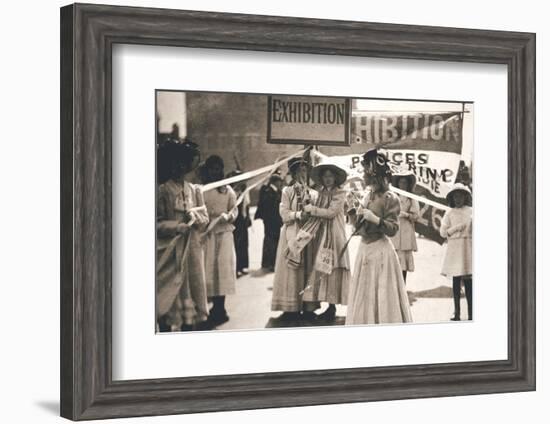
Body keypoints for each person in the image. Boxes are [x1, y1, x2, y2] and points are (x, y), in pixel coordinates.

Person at [345, 148, 412, 325]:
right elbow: (360, 229)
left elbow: (393, 229)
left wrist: (376, 220)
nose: (362, 174)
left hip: (380, 253)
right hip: (365, 250)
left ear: (373, 173)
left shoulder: (390, 198)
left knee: (382, 295)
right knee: (364, 294)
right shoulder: (367, 196)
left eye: (365, 170)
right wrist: (352, 213)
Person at [156, 140, 210, 332]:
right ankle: (165, 326)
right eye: (175, 163)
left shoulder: (195, 190)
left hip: (193, 248)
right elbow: (156, 223)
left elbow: (205, 219)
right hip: (170, 251)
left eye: (183, 164)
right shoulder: (163, 191)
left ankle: (190, 327)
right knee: (169, 294)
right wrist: (176, 226)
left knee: (192, 288)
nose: (179, 168)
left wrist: (194, 217)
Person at [271, 157, 320, 321]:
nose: (302, 174)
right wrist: (298, 214)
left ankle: (308, 307)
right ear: (292, 173)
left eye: (305, 170)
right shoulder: (287, 191)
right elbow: (284, 214)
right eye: (298, 170)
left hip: (308, 235)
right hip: (292, 232)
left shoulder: (313, 193)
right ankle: (290, 307)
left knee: (308, 268)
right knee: (292, 270)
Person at [301, 163, 351, 322]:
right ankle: (321, 305)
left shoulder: (340, 193)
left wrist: (312, 209)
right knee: (323, 267)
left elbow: (331, 213)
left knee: (333, 267)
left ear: (335, 178)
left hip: (335, 234)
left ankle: (332, 306)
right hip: (322, 233)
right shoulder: (320, 193)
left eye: (330, 176)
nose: (328, 179)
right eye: (325, 176)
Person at [201, 155, 238, 326]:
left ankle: (220, 307)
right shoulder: (202, 190)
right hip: (208, 234)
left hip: (224, 234)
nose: (215, 172)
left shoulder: (228, 190)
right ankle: (207, 308)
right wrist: (207, 219)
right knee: (208, 269)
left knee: (222, 269)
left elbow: (234, 209)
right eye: (212, 168)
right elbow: (200, 211)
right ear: (207, 170)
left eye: (218, 168)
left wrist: (229, 216)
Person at [439, 183, 473, 321]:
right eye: (455, 197)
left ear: (465, 197)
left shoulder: (471, 211)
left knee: (469, 281)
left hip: (467, 247)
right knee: (456, 280)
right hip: (454, 249)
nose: (458, 199)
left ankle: (472, 312)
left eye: (461, 196)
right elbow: (442, 232)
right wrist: (455, 228)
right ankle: (457, 311)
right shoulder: (449, 213)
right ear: (452, 198)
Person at [390, 171, 420, 283]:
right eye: (401, 183)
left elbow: (416, 215)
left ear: (408, 185)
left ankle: (402, 288)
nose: (402, 185)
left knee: (403, 263)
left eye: (405, 183)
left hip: (406, 231)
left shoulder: (411, 198)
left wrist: (406, 214)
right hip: (395, 230)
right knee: (393, 262)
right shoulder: (392, 197)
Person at [255, 171, 283, 272]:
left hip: (276, 220)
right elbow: (267, 206)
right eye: (279, 181)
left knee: (273, 241)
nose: (281, 183)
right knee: (270, 241)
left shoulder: (277, 192)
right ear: (275, 182)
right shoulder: (268, 192)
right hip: (271, 221)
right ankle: (269, 263)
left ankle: (270, 262)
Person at [227, 170, 252, 277]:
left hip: (243, 219)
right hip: (235, 220)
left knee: (243, 244)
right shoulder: (232, 191)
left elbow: (247, 205)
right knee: (236, 244)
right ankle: (236, 268)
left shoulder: (244, 190)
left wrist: (248, 217)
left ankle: (242, 266)